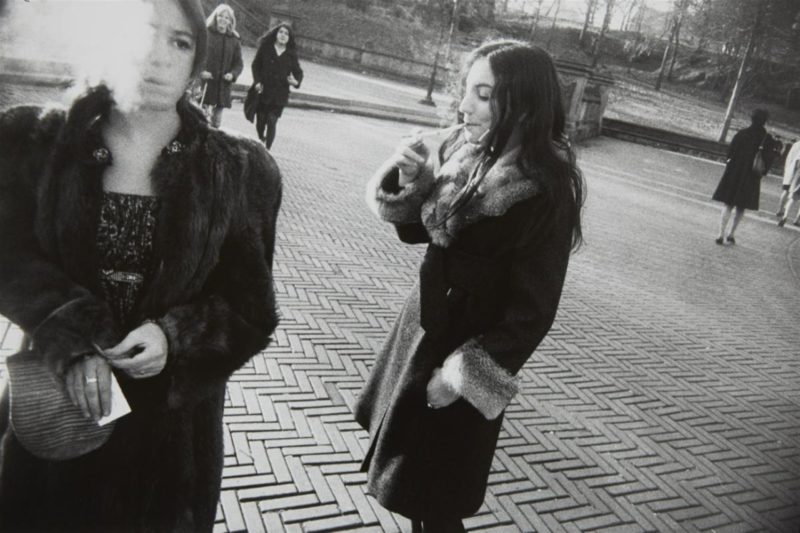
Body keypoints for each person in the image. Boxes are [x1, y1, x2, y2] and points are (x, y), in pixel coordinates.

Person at [0, 0, 282, 531]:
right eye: (145, 34)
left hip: (169, 445)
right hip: (56, 412)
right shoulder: (34, 143)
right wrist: (74, 334)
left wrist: (177, 338)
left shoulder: (238, 172)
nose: (159, 59)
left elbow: (252, 306)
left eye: (180, 42)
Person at [354, 40, 584, 531]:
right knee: (414, 494)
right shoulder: (469, 151)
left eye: (483, 94)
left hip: (460, 356)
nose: (464, 106)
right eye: (467, 91)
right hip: (419, 336)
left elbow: (533, 312)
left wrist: (460, 379)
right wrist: (412, 178)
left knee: (434, 503)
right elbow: (423, 231)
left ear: (523, 103)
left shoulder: (546, 189)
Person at [712, 109, 777, 245]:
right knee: (741, 206)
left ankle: (720, 233)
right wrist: (763, 173)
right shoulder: (767, 139)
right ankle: (731, 233)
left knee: (728, 203)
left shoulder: (741, 134)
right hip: (751, 176)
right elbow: (769, 159)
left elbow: (729, 153)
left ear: (751, 119)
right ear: (765, 121)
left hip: (734, 173)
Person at [250, 23, 303, 149]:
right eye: (281, 32)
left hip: (280, 95)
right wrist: (257, 82)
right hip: (263, 91)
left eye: (286, 33)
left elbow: (298, 72)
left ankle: (267, 150)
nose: (283, 35)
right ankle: (261, 137)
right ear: (275, 34)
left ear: (289, 38)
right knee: (261, 120)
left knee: (272, 121)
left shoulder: (291, 54)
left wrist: (296, 82)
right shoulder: (265, 48)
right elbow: (255, 65)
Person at [200, 3, 243, 127]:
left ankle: (210, 147)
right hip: (205, 86)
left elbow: (238, 63)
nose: (223, 20)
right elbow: (197, 55)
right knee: (200, 122)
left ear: (230, 21)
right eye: (220, 16)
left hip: (221, 88)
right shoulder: (206, 34)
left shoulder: (234, 39)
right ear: (215, 17)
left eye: (227, 18)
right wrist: (201, 71)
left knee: (216, 123)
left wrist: (232, 74)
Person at [776, 139, 800, 227]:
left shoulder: (796, 144)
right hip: (797, 174)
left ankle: (782, 212)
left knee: (790, 195)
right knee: (794, 197)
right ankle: (797, 219)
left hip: (794, 174)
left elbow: (792, 159)